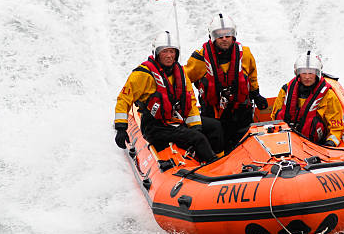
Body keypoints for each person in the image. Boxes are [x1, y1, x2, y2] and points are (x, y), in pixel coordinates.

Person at [114, 31, 223, 163]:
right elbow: (124, 99)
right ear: (157, 53)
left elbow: (190, 101)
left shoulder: (180, 73)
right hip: (155, 126)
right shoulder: (142, 74)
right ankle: (213, 166)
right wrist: (121, 128)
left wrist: (196, 126)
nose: (169, 56)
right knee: (197, 138)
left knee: (215, 126)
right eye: (164, 52)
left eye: (172, 52)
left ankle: (220, 160)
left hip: (176, 120)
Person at [185, 13, 268, 153]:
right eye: (219, 35)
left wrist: (256, 94)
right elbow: (183, 79)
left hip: (241, 110)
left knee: (242, 144)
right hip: (213, 112)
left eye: (227, 35)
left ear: (233, 36)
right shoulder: (199, 59)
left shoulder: (245, 54)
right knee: (217, 142)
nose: (224, 39)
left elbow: (252, 74)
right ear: (212, 37)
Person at [270, 51, 343, 147]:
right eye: (303, 73)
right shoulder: (286, 90)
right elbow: (274, 117)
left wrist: (330, 144)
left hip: (314, 145)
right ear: (298, 73)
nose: (307, 77)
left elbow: (336, 128)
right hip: (285, 142)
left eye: (311, 73)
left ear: (317, 73)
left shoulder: (328, 96)